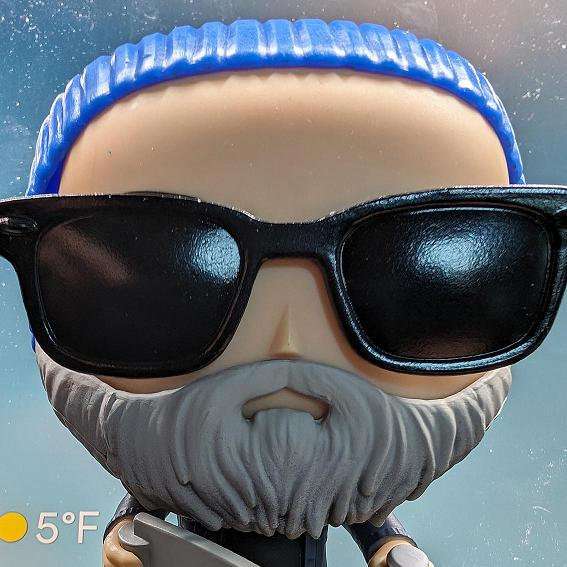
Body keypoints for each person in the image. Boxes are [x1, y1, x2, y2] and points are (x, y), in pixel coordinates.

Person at [20, 18, 531, 567]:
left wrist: (392, 545)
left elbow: (370, 516)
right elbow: (140, 513)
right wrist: (127, 538)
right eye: (168, 283)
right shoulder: (180, 468)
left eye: (419, 287)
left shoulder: (345, 476)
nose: (286, 340)